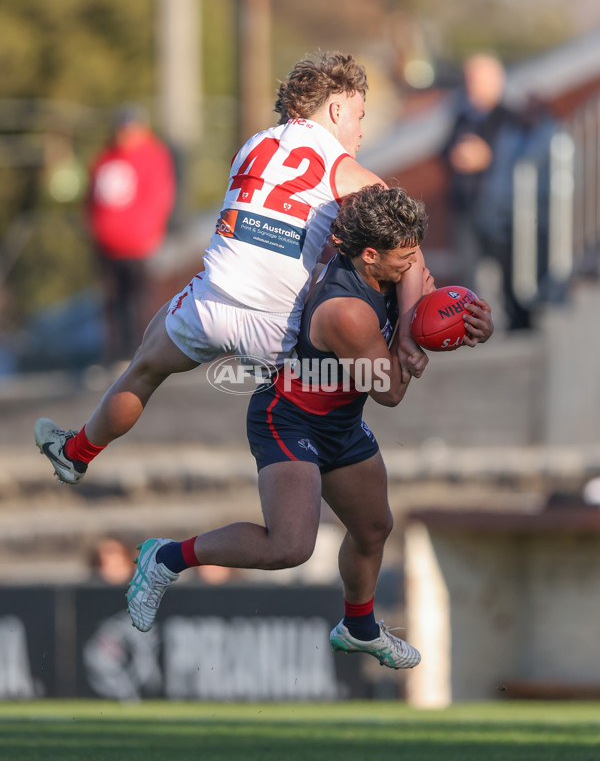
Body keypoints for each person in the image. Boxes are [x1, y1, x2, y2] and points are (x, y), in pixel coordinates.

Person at [126, 185, 494, 669]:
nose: (414, 264)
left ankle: (359, 628)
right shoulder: (345, 312)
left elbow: (417, 288)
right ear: (369, 255)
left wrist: (463, 328)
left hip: (339, 419)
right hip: (289, 417)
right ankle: (167, 558)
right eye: (403, 256)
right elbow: (391, 393)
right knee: (291, 545)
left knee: (373, 527)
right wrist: (419, 338)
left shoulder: (389, 259)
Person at [34, 52, 429, 485]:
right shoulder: (346, 171)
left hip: (211, 305)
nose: (360, 130)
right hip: (279, 332)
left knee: (143, 369)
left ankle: (76, 454)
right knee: (330, 398)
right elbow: (406, 241)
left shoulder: (252, 144)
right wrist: (409, 327)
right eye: (359, 115)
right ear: (336, 110)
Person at [442, 52, 529, 330]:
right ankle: (466, 325)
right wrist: (457, 154)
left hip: (500, 208)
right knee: (467, 271)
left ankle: (519, 322)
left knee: (509, 267)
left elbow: (520, 157)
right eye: (468, 79)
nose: (471, 85)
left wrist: (486, 156)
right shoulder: (461, 116)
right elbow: (443, 151)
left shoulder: (510, 117)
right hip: (466, 206)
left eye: (477, 79)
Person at [87, 103, 176, 361]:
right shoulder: (104, 157)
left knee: (142, 301)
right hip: (107, 245)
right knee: (114, 303)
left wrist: (150, 233)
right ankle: (117, 356)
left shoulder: (153, 155)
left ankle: (146, 354)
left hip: (139, 245)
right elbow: (91, 198)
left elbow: (160, 196)